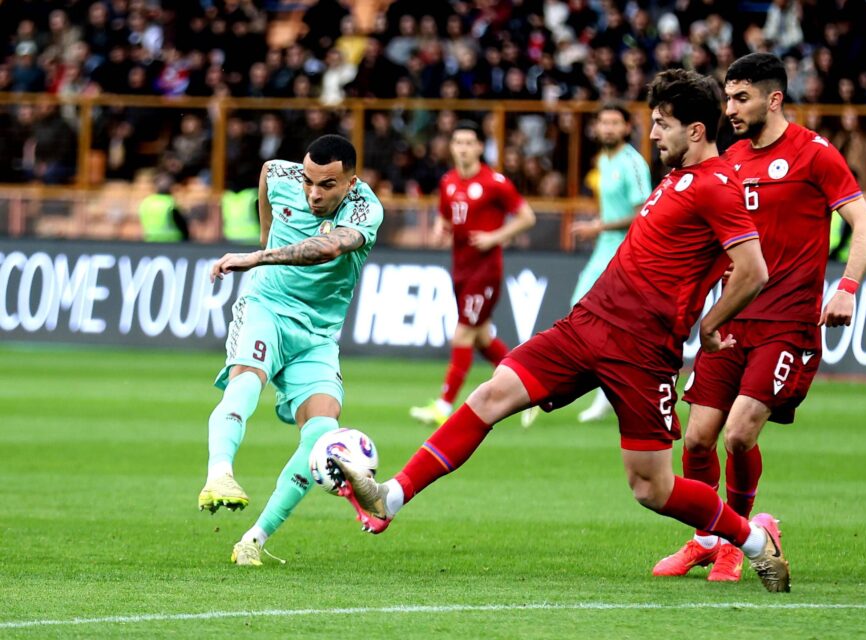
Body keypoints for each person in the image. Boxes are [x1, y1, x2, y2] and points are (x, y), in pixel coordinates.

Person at [332, 69, 793, 593]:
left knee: (652, 488)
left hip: (642, 350)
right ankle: (390, 497)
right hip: (588, 323)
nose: (652, 134)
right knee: (491, 394)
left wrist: (709, 324)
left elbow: (753, 269)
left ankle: (753, 540)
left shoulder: (717, 185)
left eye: (662, 124)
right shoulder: (676, 176)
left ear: (695, 130)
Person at [653, 53, 866, 583]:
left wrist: (847, 288)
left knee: (738, 435)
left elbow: (865, 225)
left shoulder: (813, 153)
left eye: (741, 98)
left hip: (787, 324)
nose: (729, 109)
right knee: (697, 439)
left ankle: (739, 542)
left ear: (774, 99)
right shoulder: (729, 160)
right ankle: (707, 539)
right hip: (731, 319)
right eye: (728, 98)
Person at [197, 135, 383, 566]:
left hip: (317, 334)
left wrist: (258, 256)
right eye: (309, 181)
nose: (314, 193)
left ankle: (254, 539)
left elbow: (328, 248)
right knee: (247, 380)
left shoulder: (365, 209)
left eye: (327, 185)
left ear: (351, 182)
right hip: (266, 308)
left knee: (322, 432)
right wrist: (266, 238)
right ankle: (219, 474)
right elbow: (266, 172)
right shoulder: (283, 175)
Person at [409, 120, 537, 428]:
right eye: (458, 142)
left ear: (480, 147)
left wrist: (495, 237)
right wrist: (440, 229)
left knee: (463, 333)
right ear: (451, 147)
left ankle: (443, 405)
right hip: (460, 269)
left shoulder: (495, 182)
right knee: (480, 338)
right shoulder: (448, 181)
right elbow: (445, 217)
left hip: (485, 271)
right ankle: (533, 392)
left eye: (469, 142)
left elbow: (527, 217)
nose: (463, 148)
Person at [570, 101, 652, 423]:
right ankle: (608, 389)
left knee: (595, 317)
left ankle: (608, 390)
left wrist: (599, 227)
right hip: (604, 248)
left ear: (627, 128)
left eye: (615, 123)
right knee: (583, 312)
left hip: (625, 251)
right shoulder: (603, 160)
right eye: (603, 122)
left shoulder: (633, 163)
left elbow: (642, 214)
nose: (608, 128)